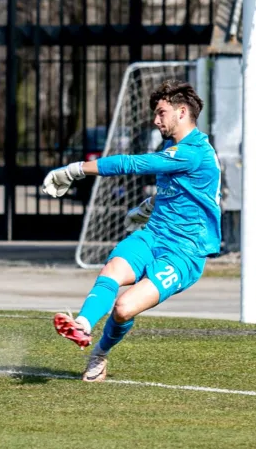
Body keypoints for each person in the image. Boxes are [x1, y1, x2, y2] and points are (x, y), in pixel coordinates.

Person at [42, 80, 221, 382]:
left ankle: (99, 353)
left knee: (124, 309)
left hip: (184, 253)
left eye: (161, 113)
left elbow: (133, 163)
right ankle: (82, 324)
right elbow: (185, 190)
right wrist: (149, 205)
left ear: (181, 112)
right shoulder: (173, 147)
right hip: (153, 235)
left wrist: (74, 170)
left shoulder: (195, 152)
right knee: (113, 269)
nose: (155, 120)